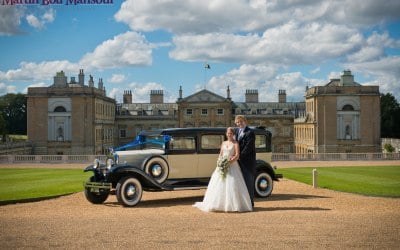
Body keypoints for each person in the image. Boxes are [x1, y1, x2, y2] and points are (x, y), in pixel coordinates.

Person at [193, 127, 252, 212]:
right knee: (218, 183)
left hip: (232, 165)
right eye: (228, 133)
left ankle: (233, 205)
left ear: (233, 134)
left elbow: (237, 155)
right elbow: (221, 154)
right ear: (226, 134)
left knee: (232, 184)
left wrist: (229, 162)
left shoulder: (236, 143)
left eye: (231, 133)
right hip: (222, 165)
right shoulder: (223, 143)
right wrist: (220, 162)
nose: (229, 135)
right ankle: (217, 204)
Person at [235, 115, 256, 207]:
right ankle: (243, 203)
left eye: (241, 122)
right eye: (238, 122)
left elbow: (248, 147)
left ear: (245, 121)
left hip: (247, 162)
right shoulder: (237, 132)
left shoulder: (250, 132)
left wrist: (238, 156)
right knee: (240, 183)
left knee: (248, 183)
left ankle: (250, 203)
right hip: (238, 162)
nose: (240, 124)